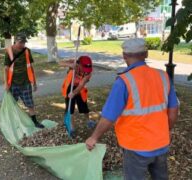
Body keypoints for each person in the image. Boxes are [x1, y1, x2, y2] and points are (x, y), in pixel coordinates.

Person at [85, 38, 179, 180]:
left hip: (136, 146)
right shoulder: (163, 76)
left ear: (124, 56)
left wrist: (94, 137)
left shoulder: (124, 81)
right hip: (161, 143)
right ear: (146, 54)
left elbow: (109, 116)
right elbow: (173, 110)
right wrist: (166, 131)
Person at [4, 33, 44, 128]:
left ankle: (34, 122)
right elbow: (6, 68)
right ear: (16, 41)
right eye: (20, 42)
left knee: (30, 104)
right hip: (13, 83)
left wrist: (34, 82)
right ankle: (12, 123)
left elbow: (30, 67)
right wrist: (6, 83)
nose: (22, 45)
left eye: (23, 42)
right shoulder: (9, 51)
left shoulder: (27, 51)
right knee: (12, 104)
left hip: (25, 82)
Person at [60, 56, 96, 134]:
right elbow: (60, 63)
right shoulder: (75, 63)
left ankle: (88, 121)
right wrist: (69, 65)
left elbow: (81, 85)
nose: (86, 72)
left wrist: (74, 93)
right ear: (79, 64)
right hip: (69, 86)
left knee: (84, 106)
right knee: (70, 108)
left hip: (80, 88)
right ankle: (72, 128)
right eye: (84, 69)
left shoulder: (89, 73)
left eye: (88, 70)